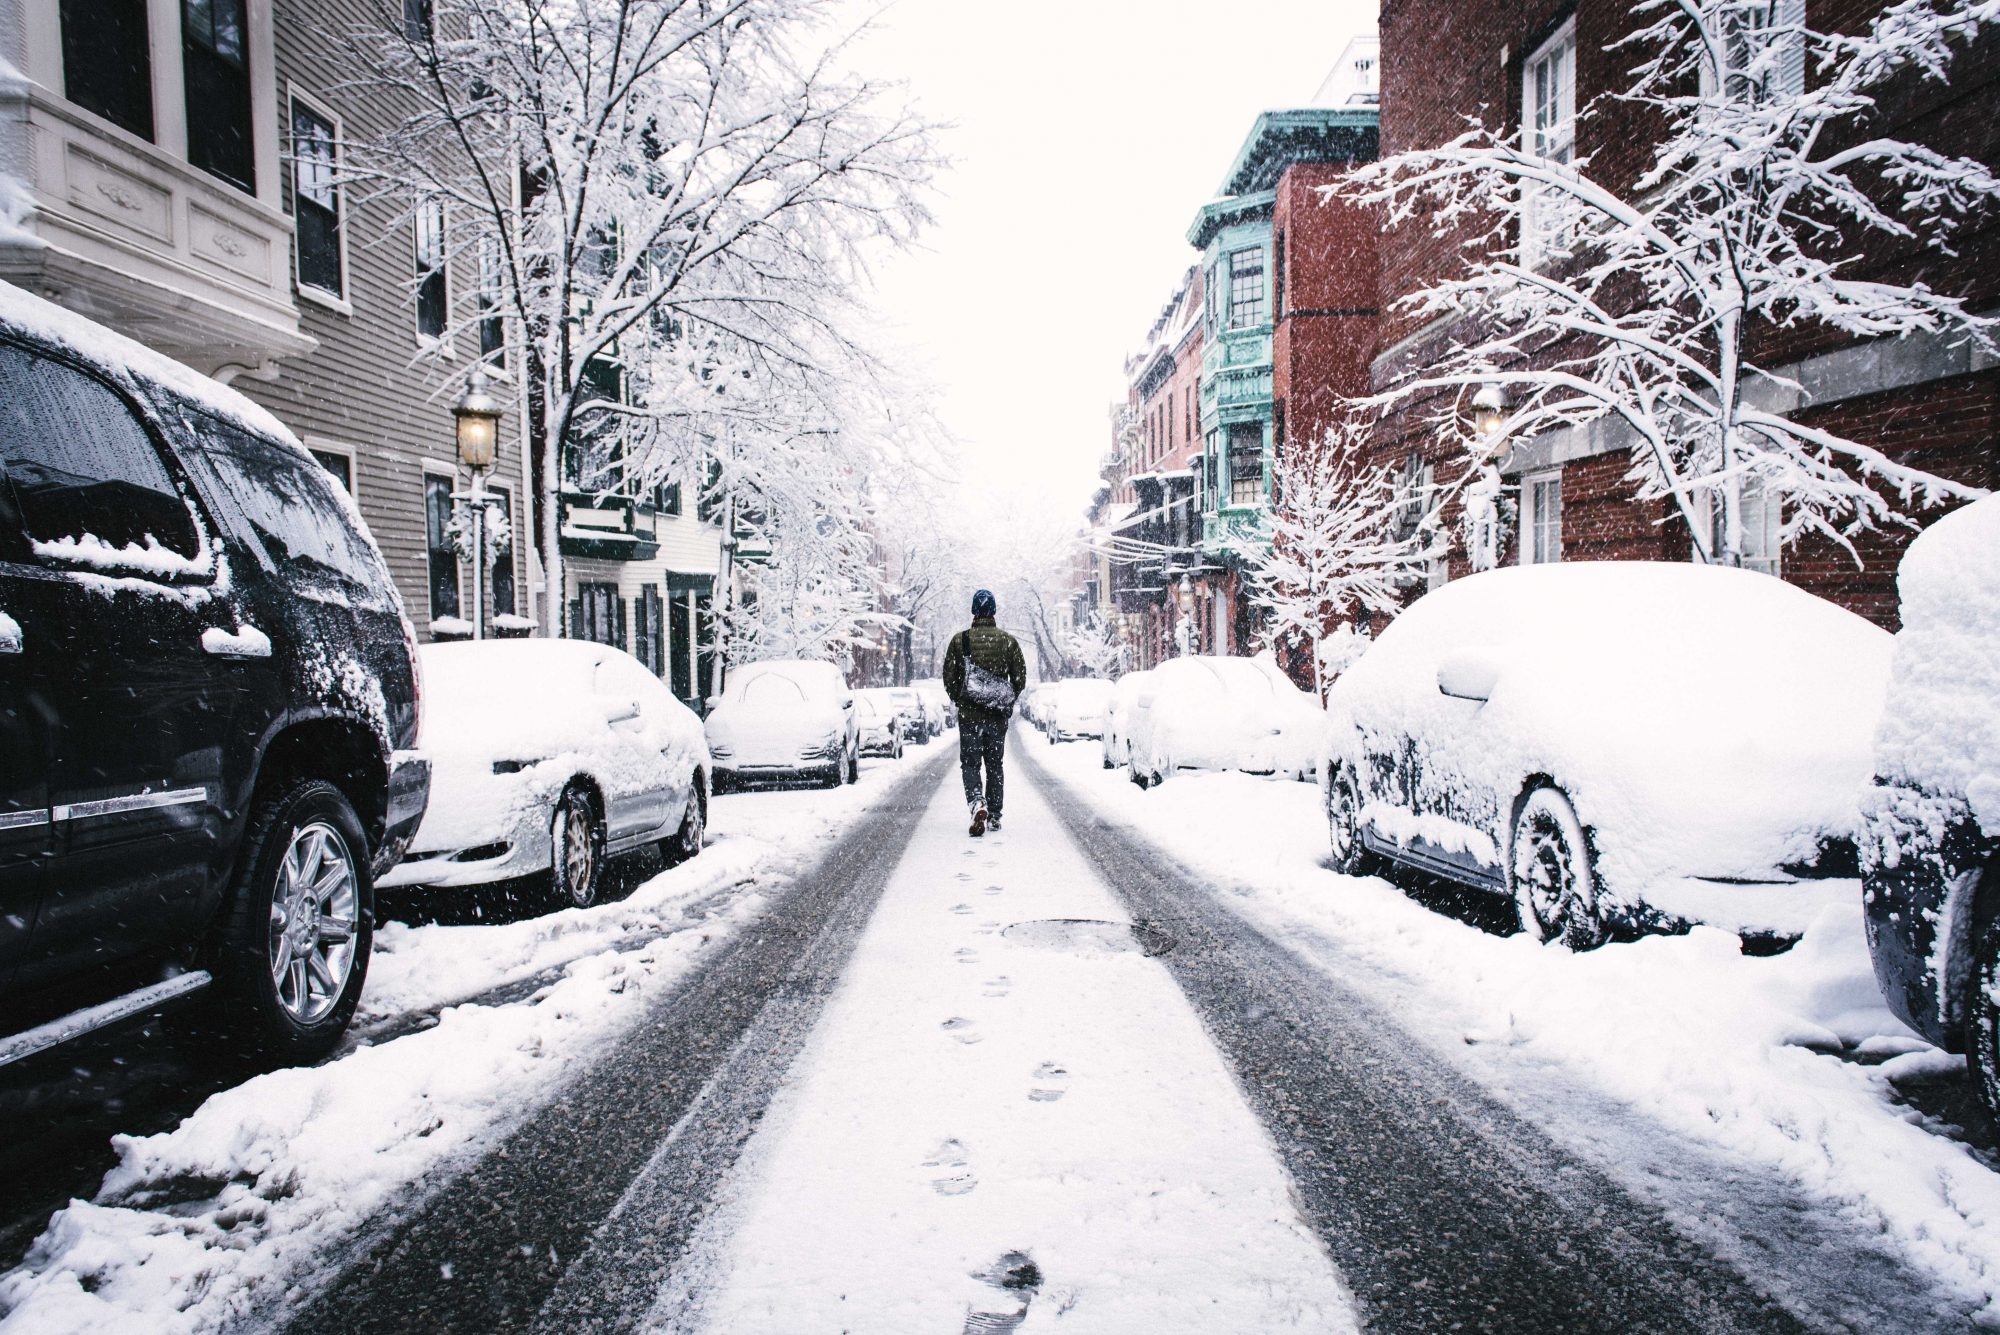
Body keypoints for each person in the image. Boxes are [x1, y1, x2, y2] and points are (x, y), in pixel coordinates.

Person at [943, 589, 1028, 837]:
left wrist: (960, 698)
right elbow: (1020, 678)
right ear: (993, 612)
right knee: (994, 765)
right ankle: (994, 815)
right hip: (996, 718)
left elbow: (949, 677)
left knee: (970, 764)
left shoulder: (961, 641)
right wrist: (1003, 700)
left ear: (973, 612)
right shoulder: (1008, 641)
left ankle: (976, 802)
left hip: (969, 717)